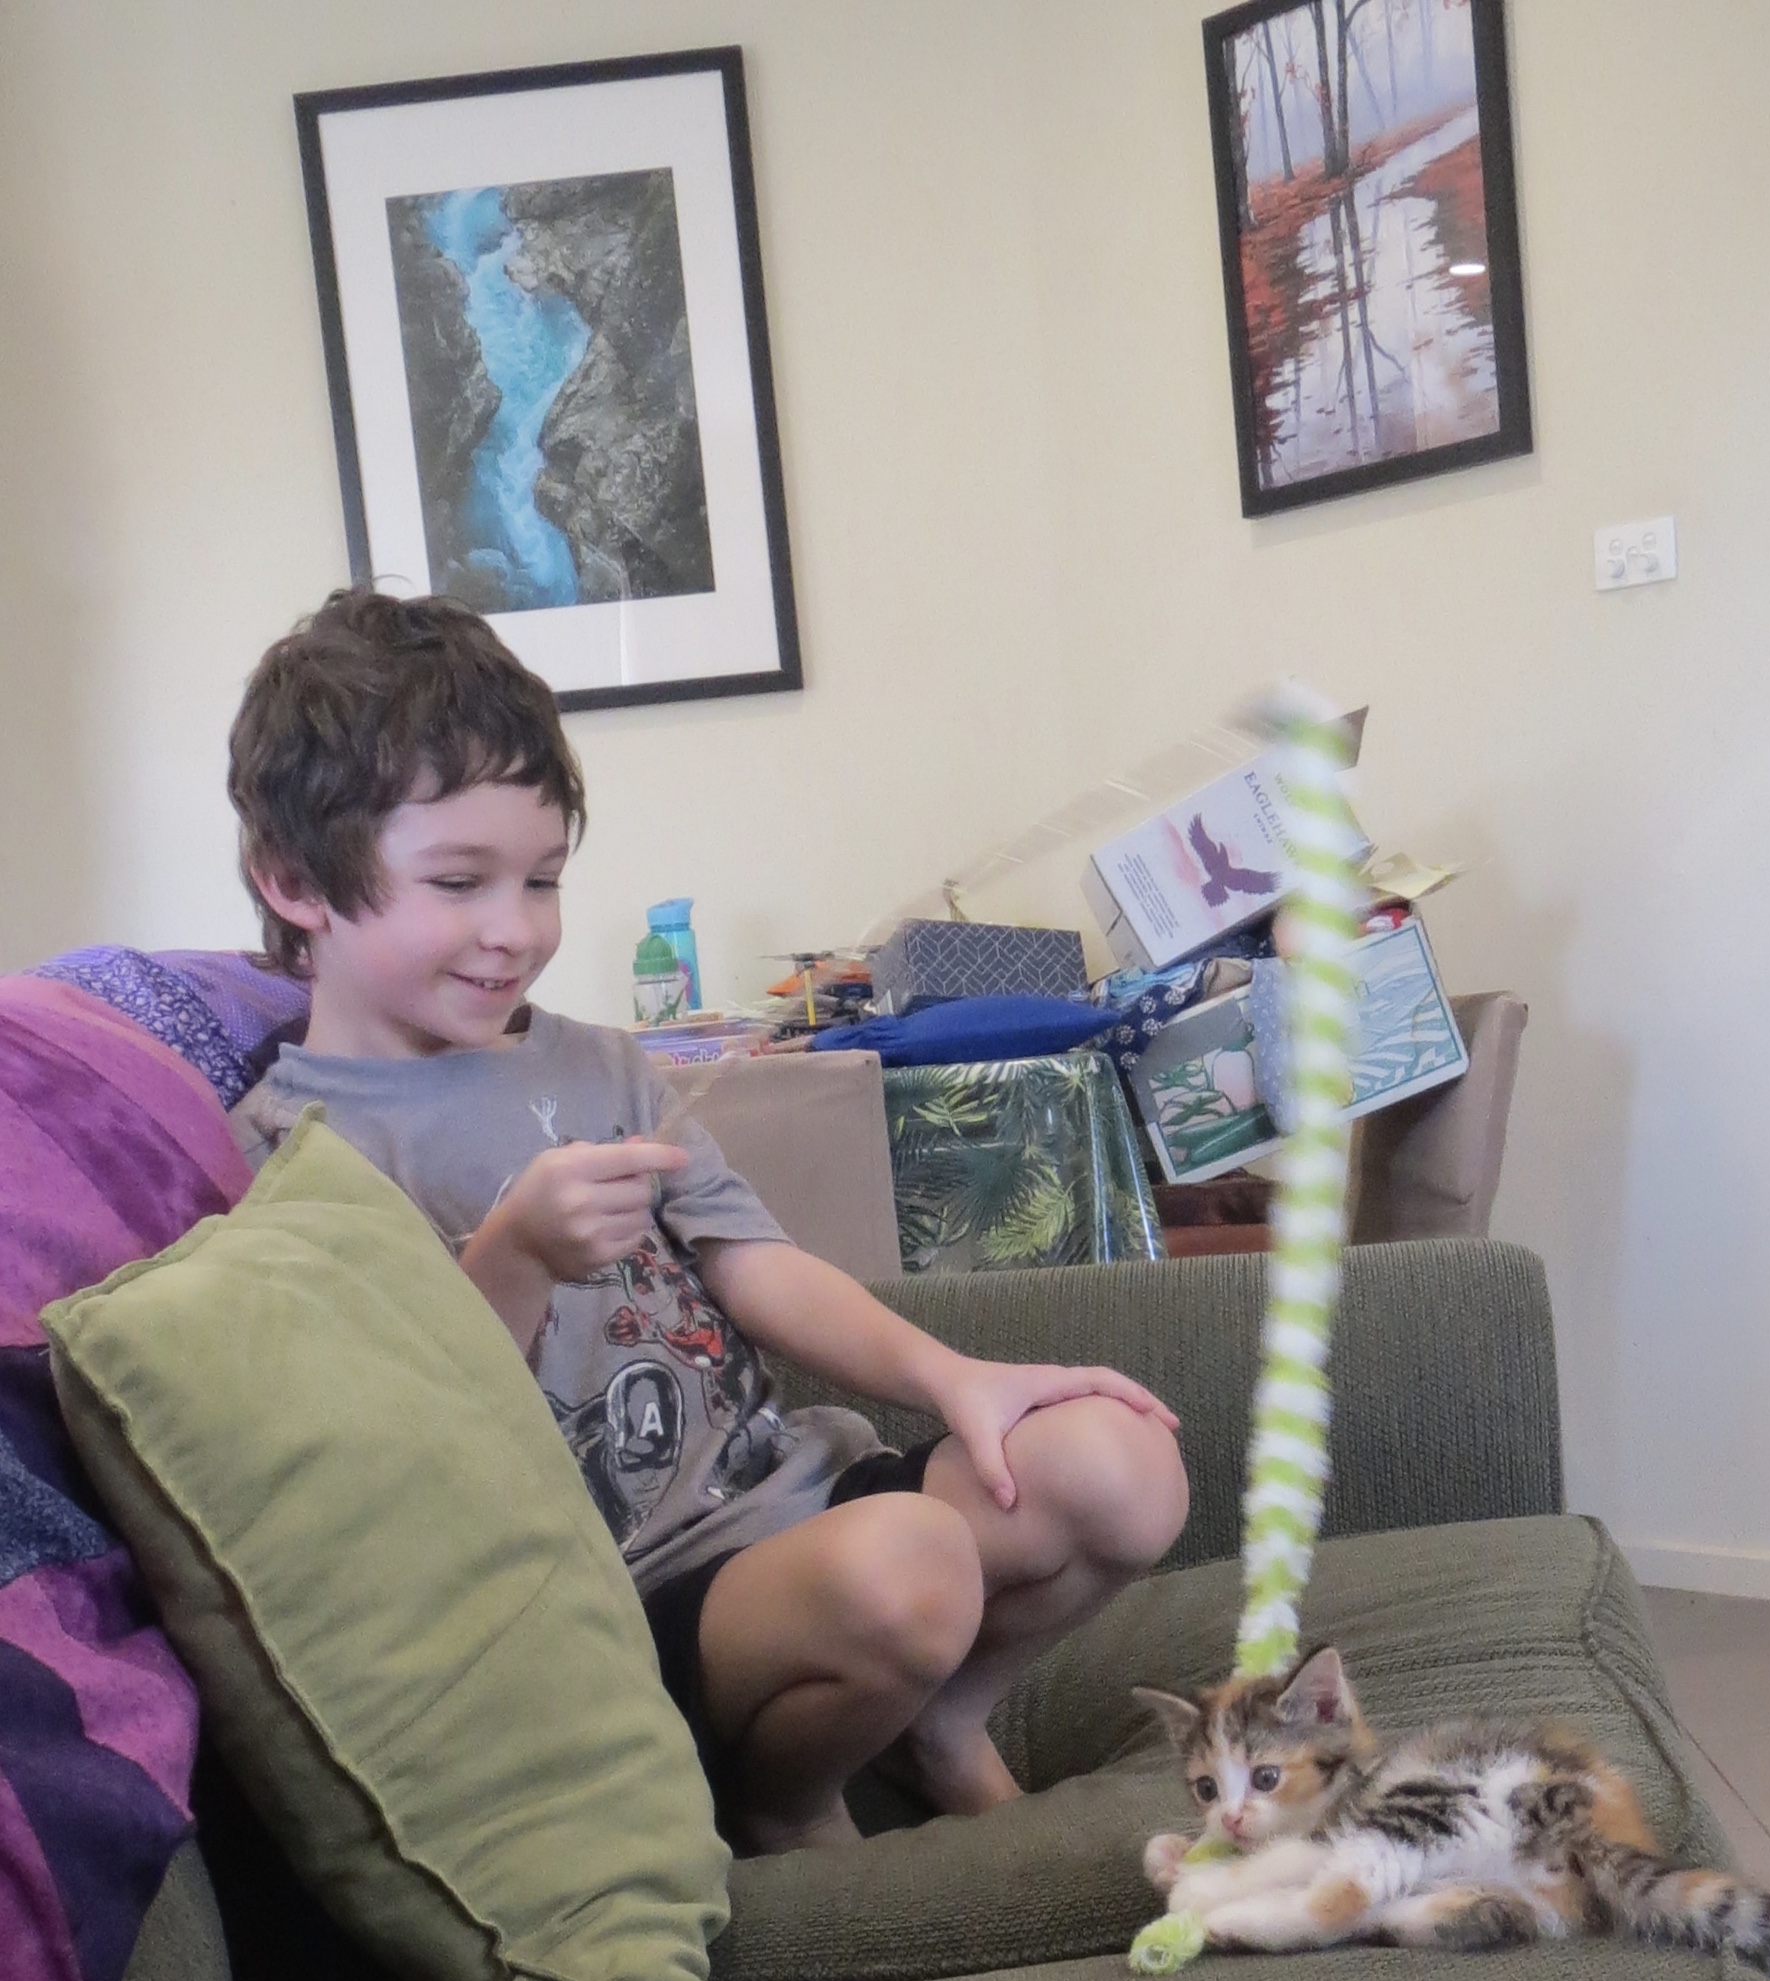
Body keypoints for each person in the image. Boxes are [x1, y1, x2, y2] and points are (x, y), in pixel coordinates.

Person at [226, 588, 1189, 1854]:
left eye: (542, 879)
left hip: (797, 1500)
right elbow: (406, 1441)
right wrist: (515, 1255)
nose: (514, 930)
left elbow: (754, 1265)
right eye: (458, 882)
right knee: (911, 1564)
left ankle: (940, 1724)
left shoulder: (598, 1063)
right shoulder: (289, 1148)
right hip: (631, 1603)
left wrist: (961, 1380)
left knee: (1122, 1469)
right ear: (294, 880)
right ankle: (783, 1802)